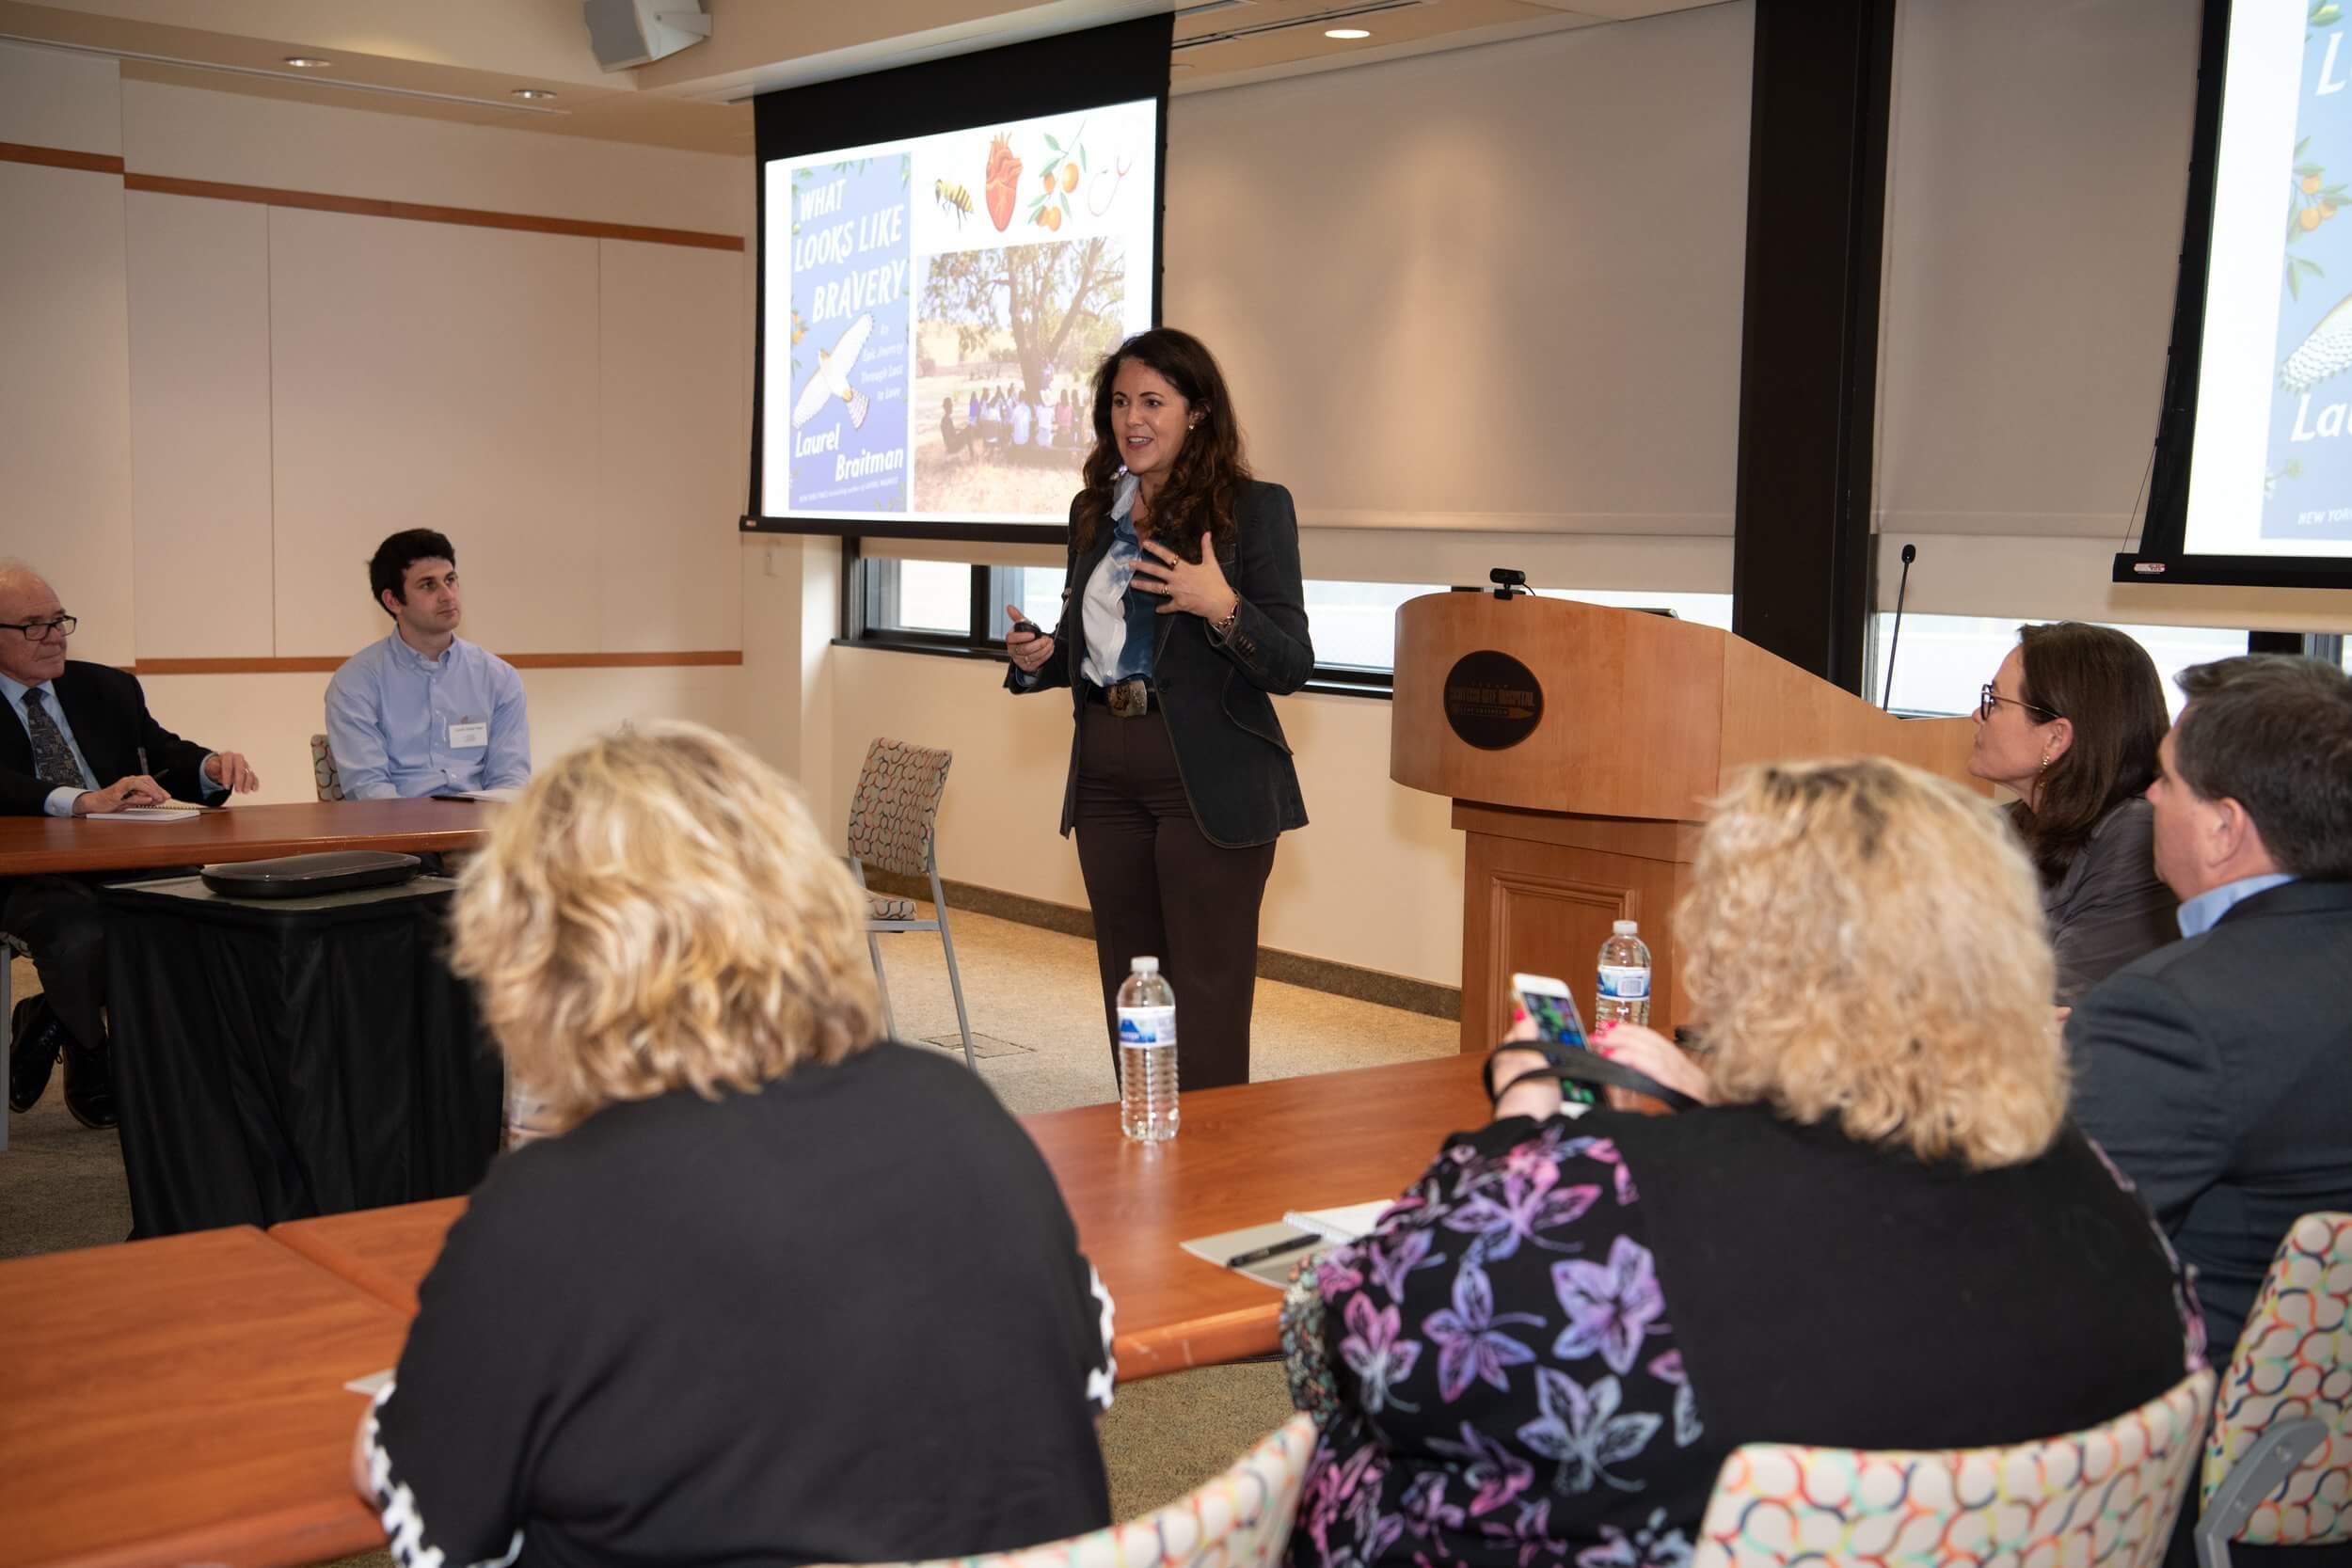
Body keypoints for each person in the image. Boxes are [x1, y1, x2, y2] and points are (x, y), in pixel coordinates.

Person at [1281, 757, 2203, 1568]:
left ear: (1737, 962)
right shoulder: (2103, 1191)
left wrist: (1512, 1130)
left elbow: (1360, 1333)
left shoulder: (1602, 1215)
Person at [353, 723, 1115, 1567]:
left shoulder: (546, 1212)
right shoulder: (963, 1111)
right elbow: (1090, 1374)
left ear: (542, 959)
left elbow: (428, 1523)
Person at [1005, 328, 1313, 1090]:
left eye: (1152, 401)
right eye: (1118, 402)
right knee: (1132, 985)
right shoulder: (1093, 510)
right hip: (1106, 775)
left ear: (1198, 412)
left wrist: (1223, 606)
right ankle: (1148, 1149)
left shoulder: (1253, 509)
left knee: (1205, 993)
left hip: (1205, 777)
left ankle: (1213, 1182)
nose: (1131, 419)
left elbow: (1292, 662)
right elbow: (1092, 639)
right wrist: (1043, 656)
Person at [2066, 654, 2352, 1363]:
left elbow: (2041, 1251)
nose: (2151, 799)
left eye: (2166, 778)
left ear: (2225, 827)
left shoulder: (2170, 1014)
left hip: (2187, 1435)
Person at [0, 562, 260, 1128]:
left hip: (122, 860)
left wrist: (211, 768)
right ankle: (92, 1048)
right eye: (33, 626)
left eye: (59, 621)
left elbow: (162, 754)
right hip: (23, 877)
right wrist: (75, 799)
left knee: (198, 912)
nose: (55, 637)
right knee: (79, 936)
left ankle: (52, 1014)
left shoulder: (105, 686)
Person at [1968, 622, 2177, 1005]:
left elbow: (2062, 998)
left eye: (1995, 702)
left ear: (2056, 736)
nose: (1976, 716)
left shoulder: (2135, 835)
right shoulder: (1992, 827)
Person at [325, 530, 530, 800]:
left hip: (480, 832)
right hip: (395, 833)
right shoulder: (356, 682)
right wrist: (422, 838)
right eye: (428, 585)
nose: (448, 595)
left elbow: (510, 780)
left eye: (451, 580)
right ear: (393, 601)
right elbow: (369, 788)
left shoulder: (499, 677)